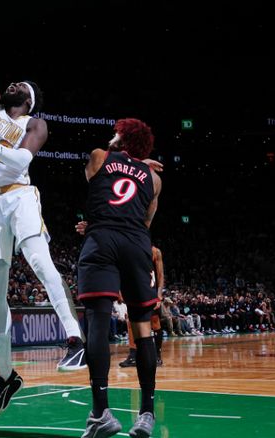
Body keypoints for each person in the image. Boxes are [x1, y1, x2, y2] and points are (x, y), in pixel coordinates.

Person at [0, 0, 87, 417]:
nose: (13, 84)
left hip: (19, 197)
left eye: (22, 86)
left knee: (39, 261)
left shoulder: (36, 123)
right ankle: (5, 376)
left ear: (30, 99)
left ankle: (75, 338)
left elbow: (21, 161)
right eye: (13, 83)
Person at [76, 118, 162, 438]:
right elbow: (146, 220)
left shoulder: (100, 156)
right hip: (136, 244)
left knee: (98, 322)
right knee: (142, 329)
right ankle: (146, 415)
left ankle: (101, 413)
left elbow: (92, 176)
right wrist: (139, 163)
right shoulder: (154, 178)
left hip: (102, 241)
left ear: (121, 139)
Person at [120, 245, 165, 368]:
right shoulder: (129, 249)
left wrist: (159, 295)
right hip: (134, 290)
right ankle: (133, 355)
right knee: (130, 322)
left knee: (154, 322)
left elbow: (160, 275)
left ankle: (157, 355)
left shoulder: (155, 251)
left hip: (151, 291)